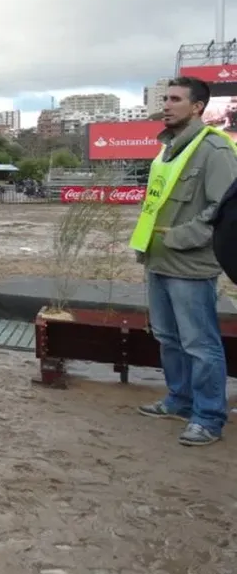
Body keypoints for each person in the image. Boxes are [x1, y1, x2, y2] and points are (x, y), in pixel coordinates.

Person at [130, 76, 237, 446]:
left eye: (175, 99)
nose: (167, 105)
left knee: (200, 343)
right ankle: (179, 399)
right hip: (158, 261)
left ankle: (208, 417)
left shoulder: (215, 150)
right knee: (168, 338)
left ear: (197, 107)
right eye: (165, 98)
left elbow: (223, 209)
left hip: (190, 266)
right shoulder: (168, 149)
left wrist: (179, 238)